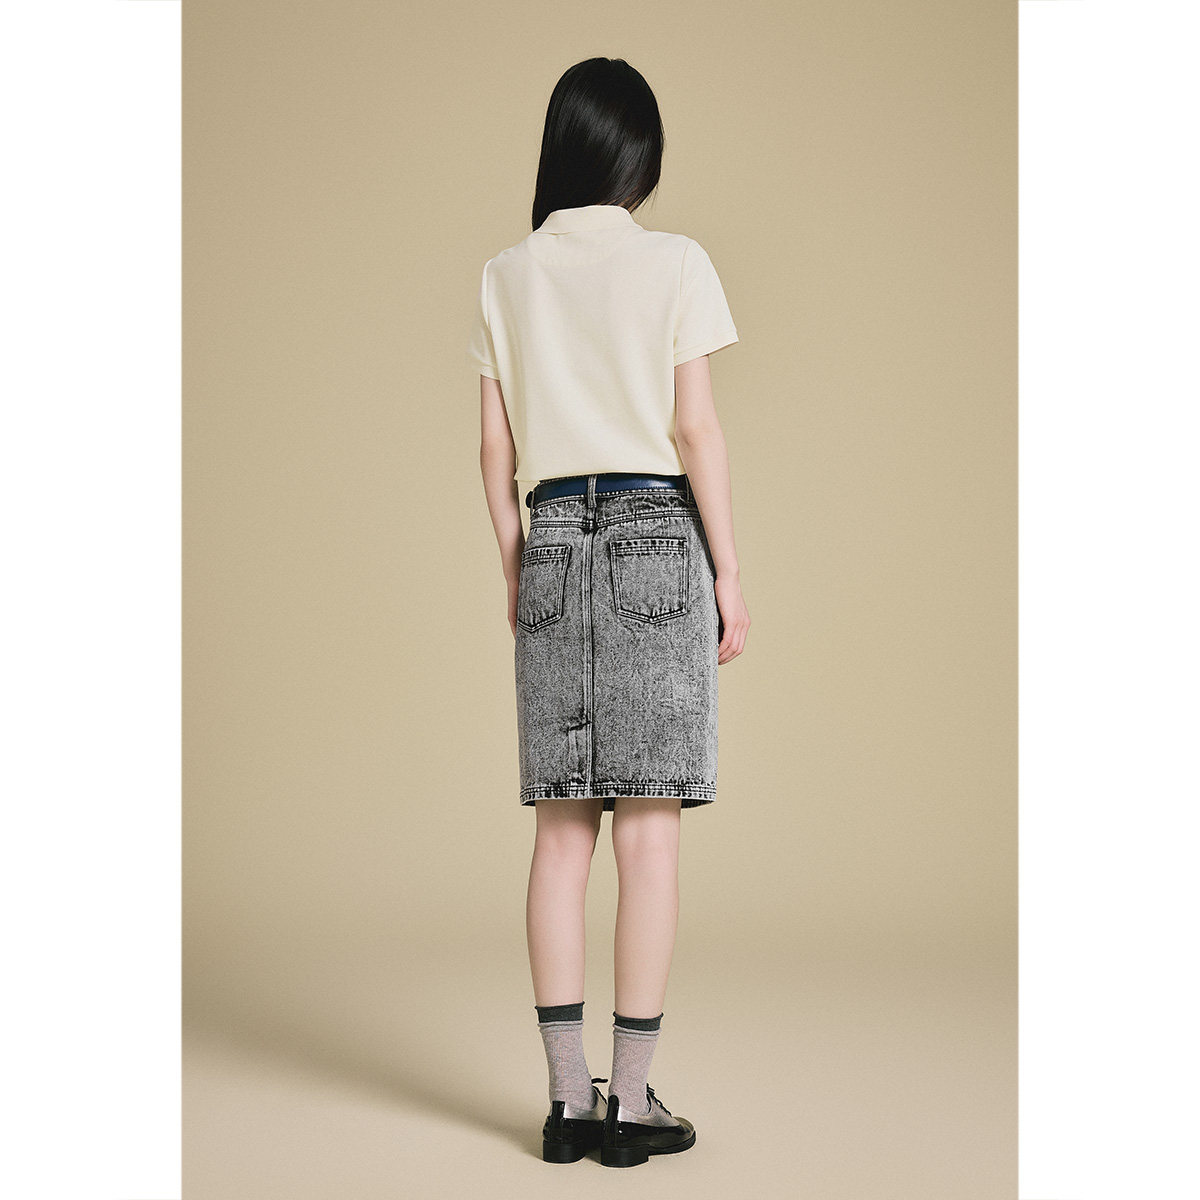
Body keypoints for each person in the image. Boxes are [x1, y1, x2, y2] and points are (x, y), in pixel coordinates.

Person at [466, 56, 751, 1169]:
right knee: (650, 831)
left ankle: (564, 1104)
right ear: (638, 156)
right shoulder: (675, 262)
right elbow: (696, 432)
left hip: (552, 541)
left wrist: (518, 567)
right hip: (653, 540)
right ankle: (630, 1105)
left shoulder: (505, 275)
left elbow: (493, 453)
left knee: (559, 835)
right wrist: (728, 571)